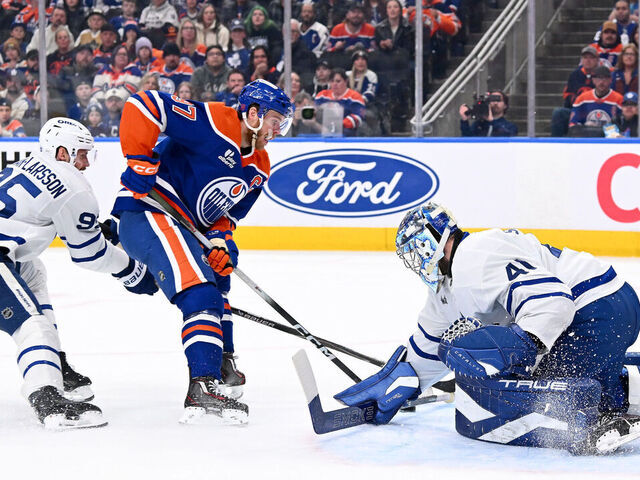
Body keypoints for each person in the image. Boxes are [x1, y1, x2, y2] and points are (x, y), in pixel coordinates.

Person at [335, 202, 640, 455]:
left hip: (598, 311)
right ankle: (617, 394)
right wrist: (402, 379)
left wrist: (519, 345)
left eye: (416, 249)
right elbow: (431, 343)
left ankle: (600, 421)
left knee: (546, 399)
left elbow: (554, 304)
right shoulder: (449, 284)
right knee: (532, 375)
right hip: (608, 305)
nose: (415, 260)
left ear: (432, 239)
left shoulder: (476, 257)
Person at [111, 79, 294, 424]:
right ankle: (202, 388)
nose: (277, 130)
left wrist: (221, 242)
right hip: (149, 213)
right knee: (199, 291)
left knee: (219, 281)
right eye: (274, 120)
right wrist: (139, 162)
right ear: (252, 114)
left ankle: (222, 363)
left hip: (188, 227)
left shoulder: (259, 166)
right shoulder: (211, 120)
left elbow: (224, 214)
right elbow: (145, 105)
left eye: (281, 123)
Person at [0, 118, 156, 429]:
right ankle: (46, 397)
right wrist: (132, 272)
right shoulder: (74, 186)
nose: (85, 164)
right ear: (62, 152)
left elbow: (42, 214)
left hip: (10, 252)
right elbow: (89, 255)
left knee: (33, 272)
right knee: (33, 328)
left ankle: (53, 361)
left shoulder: (26, 163)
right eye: (82, 154)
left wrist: (95, 230)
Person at [551, 45, 599, 137]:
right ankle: (556, 143)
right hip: (577, 111)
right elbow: (568, 96)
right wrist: (579, 102)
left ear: (597, 60)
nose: (588, 60)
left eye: (591, 58)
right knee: (558, 113)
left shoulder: (602, 74)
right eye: (585, 57)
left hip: (597, 111)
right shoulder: (575, 75)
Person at [569, 65, 623, 136]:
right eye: (598, 78)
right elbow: (573, 124)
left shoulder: (619, 99)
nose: (601, 82)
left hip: (609, 139)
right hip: (587, 138)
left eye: (605, 78)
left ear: (610, 80)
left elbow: (622, 127)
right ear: (593, 80)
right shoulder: (582, 98)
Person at [315, 67, 366, 136]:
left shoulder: (355, 97)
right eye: (332, 81)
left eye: (338, 81)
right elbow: (315, 113)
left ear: (346, 81)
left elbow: (358, 118)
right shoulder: (322, 95)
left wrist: (338, 124)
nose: (334, 84)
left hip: (346, 132)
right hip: (322, 129)